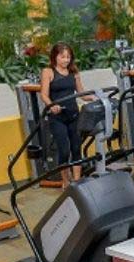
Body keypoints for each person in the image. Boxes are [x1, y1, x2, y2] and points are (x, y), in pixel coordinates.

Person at [39, 43, 91, 187]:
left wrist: (95, 97)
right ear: (55, 57)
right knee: (64, 149)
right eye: (62, 57)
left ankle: (77, 181)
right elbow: (44, 94)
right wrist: (52, 105)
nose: (66, 60)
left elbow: (81, 93)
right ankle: (66, 182)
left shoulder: (74, 72)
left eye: (68, 57)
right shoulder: (48, 72)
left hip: (73, 115)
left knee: (76, 148)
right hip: (57, 117)